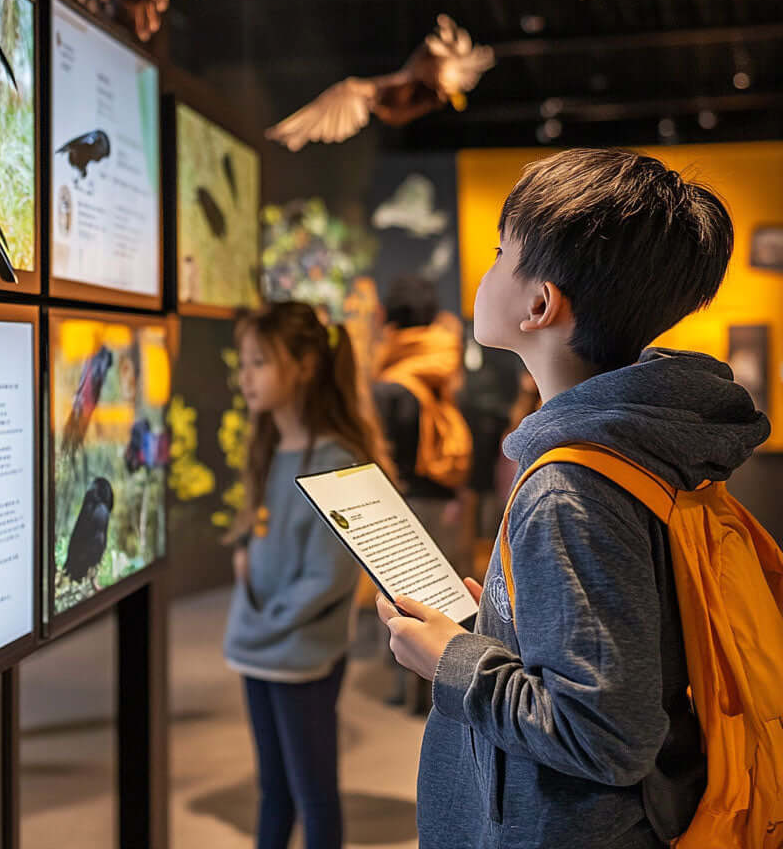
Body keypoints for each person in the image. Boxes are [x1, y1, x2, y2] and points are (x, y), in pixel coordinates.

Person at [377, 150, 770, 849]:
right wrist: (498, 636)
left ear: (539, 304)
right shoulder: (643, 443)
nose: (485, 270)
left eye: (502, 253)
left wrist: (450, 662)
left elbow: (604, 733)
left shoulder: (571, 488)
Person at [223, 301, 393, 849]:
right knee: (273, 791)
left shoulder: (337, 461)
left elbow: (327, 578)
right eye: (242, 362)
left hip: (300, 655)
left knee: (313, 795)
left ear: (303, 366)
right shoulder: (271, 447)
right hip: (261, 647)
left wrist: (261, 618)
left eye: (259, 362)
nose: (245, 376)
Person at [372, 276, 472, 710]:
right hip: (443, 496)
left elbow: (380, 456)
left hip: (403, 502)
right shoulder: (439, 369)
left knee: (400, 600)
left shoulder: (391, 382)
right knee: (438, 597)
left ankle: (407, 689)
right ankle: (435, 689)